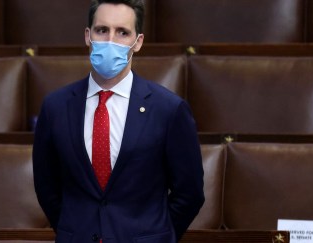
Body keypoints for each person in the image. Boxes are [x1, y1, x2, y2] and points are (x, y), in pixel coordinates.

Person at [32, 0, 204, 242]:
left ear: (138, 42)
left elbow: (190, 193)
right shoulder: (55, 107)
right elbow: (47, 187)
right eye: (102, 30)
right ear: (87, 36)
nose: (110, 40)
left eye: (122, 32)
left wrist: (155, 235)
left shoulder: (169, 109)